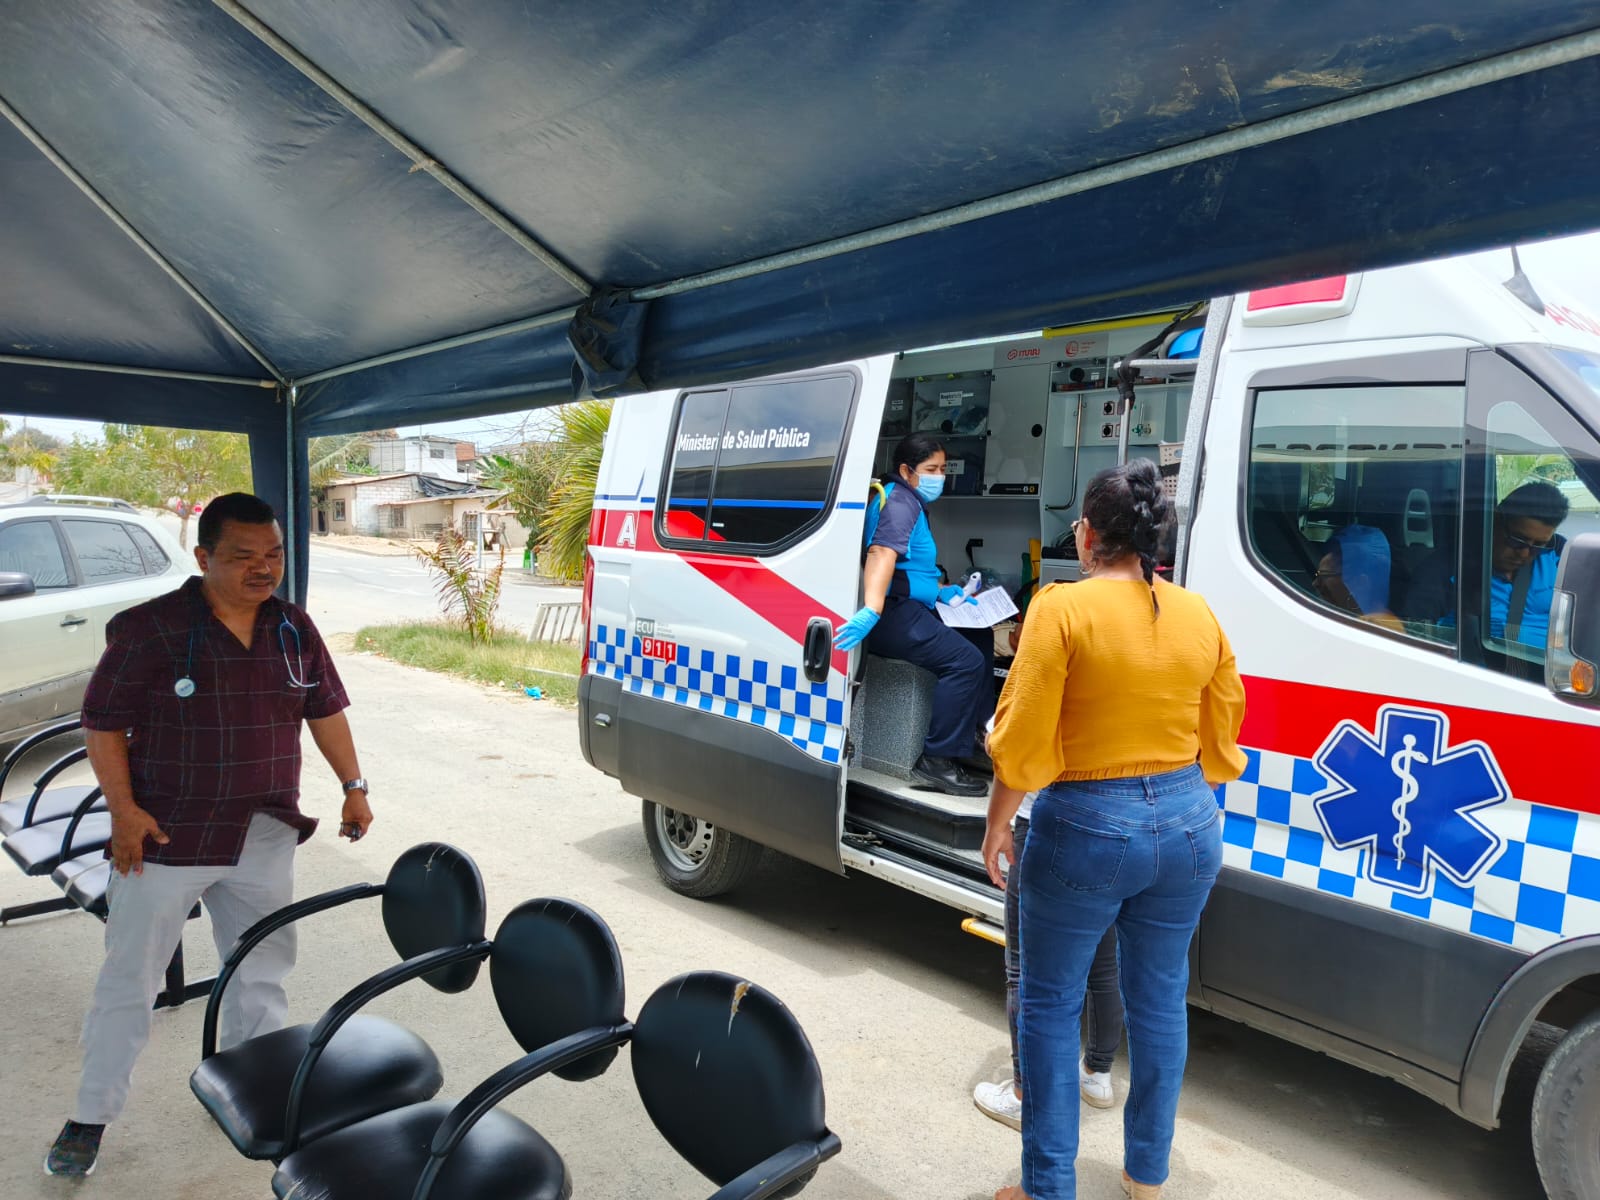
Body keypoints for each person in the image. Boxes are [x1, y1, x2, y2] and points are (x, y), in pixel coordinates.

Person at [45, 493, 374, 1177]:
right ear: (203, 558)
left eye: (274, 554)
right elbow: (102, 724)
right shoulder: (150, 629)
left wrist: (353, 785)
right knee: (130, 977)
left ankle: (253, 1089)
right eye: (243, 556)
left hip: (264, 830)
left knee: (262, 970)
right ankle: (90, 1115)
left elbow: (325, 710)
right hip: (165, 834)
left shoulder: (292, 628)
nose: (264, 569)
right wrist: (122, 811)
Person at [984, 459, 1247, 1200]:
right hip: (1191, 823)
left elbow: (1021, 739)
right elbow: (1224, 718)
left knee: (1049, 1002)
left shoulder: (1061, 607)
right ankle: (1146, 1177)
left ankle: (1047, 1187)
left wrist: (997, 824)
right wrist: (1183, 789)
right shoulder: (1197, 612)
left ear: (1087, 535)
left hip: (1086, 824)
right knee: (1160, 1000)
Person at [834, 432, 994, 797]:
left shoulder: (908, 499)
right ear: (907, 471)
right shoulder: (900, 503)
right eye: (931, 469)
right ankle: (936, 760)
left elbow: (911, 568)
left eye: (943, 469)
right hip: (892, 613)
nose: (940, 476)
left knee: (980, 635)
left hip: (910, 604)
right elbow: (881, 554)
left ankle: (976, 731)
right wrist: (872, 608)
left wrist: (942, 592)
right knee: (966, 661)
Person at [974, 767, 1123, 1130]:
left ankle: (1024, 1096)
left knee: (1024, 969)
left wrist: (997, 823)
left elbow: (1009, 752)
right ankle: (1097, 1074)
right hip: (1113, 824)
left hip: (1046, 819)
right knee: (1104, 965)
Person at [1402, 481, 1569, 648]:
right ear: (1495, 519)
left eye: (1538, 545)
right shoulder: (1446, 570)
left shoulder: (1557, 552)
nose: (1525, 553)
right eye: (1518, 540)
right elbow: (1416, 640)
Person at [1312, 525, 1405, 633]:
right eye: (1317, 575)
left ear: (1360, 584)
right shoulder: (1354, 621)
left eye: (1324, 576)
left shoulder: (1376, 629)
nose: (1315, 583)